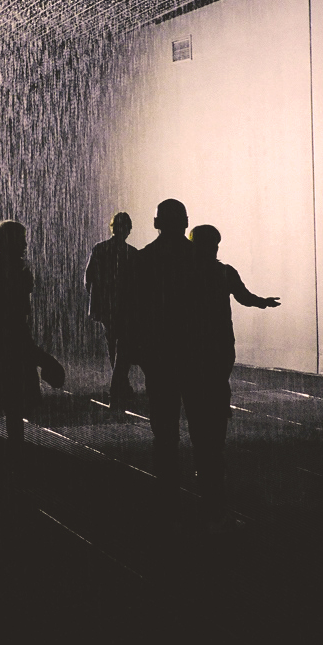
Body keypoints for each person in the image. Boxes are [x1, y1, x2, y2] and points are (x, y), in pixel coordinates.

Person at [188, 224, 280, 527]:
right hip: (221, 342)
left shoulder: (185, 272)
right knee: (217, 386)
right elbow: (243, 297)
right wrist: (263, 302)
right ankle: (215, 443)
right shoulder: (224, 272)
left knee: (197, 394)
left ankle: (202, 449)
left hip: (195, 343)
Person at [127, 199, 202, 514]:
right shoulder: (199, 259)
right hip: (195, 354)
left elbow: (132, 314)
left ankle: (167, 492)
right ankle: (207, 484)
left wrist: (123, 367)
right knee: (201, 422)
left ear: (156, 223)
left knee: (164, 426)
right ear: (186, 223)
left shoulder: (143, 260)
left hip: (158, 355)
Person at [0, 220, 39, 462]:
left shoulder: (2, 268)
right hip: (5, 344)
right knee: (5, 401)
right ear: (11, 241)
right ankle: (6, 452)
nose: (25, 244)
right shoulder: (4, 271)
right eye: (21, 238)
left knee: (6, 401)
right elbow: (8, 314)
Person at [84, 211, 136, 405]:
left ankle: (120, 384)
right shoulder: (132, 253)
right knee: (123, 345)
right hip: (126, 307)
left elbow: (88, 278)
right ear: (129, 230)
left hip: (107, 307)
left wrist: (96, 300)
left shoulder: (100, 249)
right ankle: (120, 384)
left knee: (112, 343)